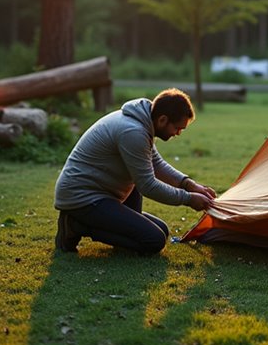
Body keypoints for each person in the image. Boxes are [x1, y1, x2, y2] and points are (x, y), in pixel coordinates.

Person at [53, 88, 217, 255]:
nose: (178, 133)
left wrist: (189, 185)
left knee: (162, 230)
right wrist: (188, 199)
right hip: (83, 198)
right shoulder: (133, 132)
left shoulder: (143, 122)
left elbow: (156, 164)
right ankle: (75, 225)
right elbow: (147, 185)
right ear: (162, 119)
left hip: (105, 194)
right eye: (177, 128)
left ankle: (114, 227)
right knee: (153, 240)